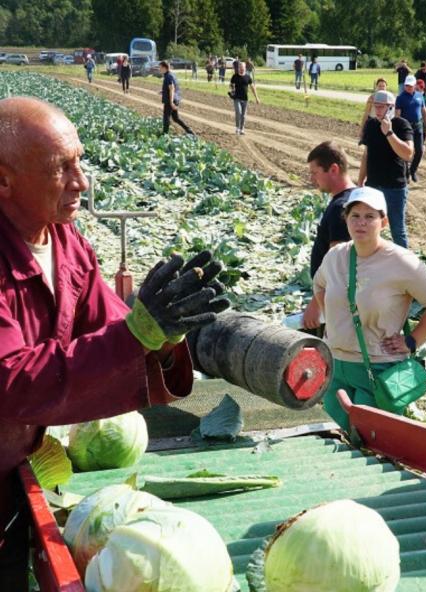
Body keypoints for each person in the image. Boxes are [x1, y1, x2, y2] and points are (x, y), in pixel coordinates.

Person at [0, 97, 229, 588]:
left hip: (21, 471)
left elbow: (110, 326)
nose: (81, 181)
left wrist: (165, 333)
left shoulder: (66, 242)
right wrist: (135, 336)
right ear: (3, 180)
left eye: (79, 161)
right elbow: (13, 381)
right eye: (61, 168)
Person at [313, 187, 426, 430]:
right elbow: (320, 286)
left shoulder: (400, 261)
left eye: (370, 216)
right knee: (338, 444)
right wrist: (335, 324)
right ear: (346, 219)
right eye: (355, 215)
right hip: (336, 365)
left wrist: (412, 341)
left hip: (378, 370)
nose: (361, 223)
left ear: (383, 221)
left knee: (371, 448)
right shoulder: (336, 256)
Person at [302, 141, 355, 331]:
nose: (312, 179)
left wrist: (316, 304)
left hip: (334, 303)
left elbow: (338, 263)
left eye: (315, 173)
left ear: (333, 169)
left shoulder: (341, 208)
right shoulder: (356, 198)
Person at [358, 90, 414, 248]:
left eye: (382, 107)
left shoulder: (401, 125)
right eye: (376, 106)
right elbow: (366, 154)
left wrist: (389, 133)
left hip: (395, 187)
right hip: (373, 185)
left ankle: (404, 264)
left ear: (391, 107)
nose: (378, 110)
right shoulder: (370, 124)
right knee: (369, 226)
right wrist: (361, 179)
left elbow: (408, 154)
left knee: (397, 229)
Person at [395, 75, 426, 183]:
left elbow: (424, 111)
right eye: (406, 85)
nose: (408, 87)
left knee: (419, 150)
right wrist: (398, 127)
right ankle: (405, 173)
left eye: (410, 86)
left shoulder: (420, 96)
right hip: (406, 127)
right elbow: (397, 114)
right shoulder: (400, 98)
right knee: (406, 151)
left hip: (418, 126)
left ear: (415, 85)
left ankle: (413, 170)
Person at [160, 61, 194, 136]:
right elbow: (172, 87)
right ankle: (189, 130)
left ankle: (164, 134)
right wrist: (163, 91)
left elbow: (172, 88)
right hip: (176, 98)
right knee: (176, 118)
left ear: (164, 68)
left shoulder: (168, 76)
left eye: (160, 67)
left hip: (171, 100)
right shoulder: (172, 75)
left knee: (166, 117)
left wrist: (171, 102)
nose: (159, 69)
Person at [229, 61, 260, 135]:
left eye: (243, 68)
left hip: (245, 99)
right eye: (240, 67)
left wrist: (256, 98)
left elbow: (253, 88)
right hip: (237, 98)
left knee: (243, 115)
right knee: (238, 113)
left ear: (245, 68)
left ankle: (242, 129)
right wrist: (232, 90)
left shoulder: (248, 77)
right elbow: (231, 84)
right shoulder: (235, 76)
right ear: (238, 68)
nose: (241, 69)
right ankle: (237, 128)